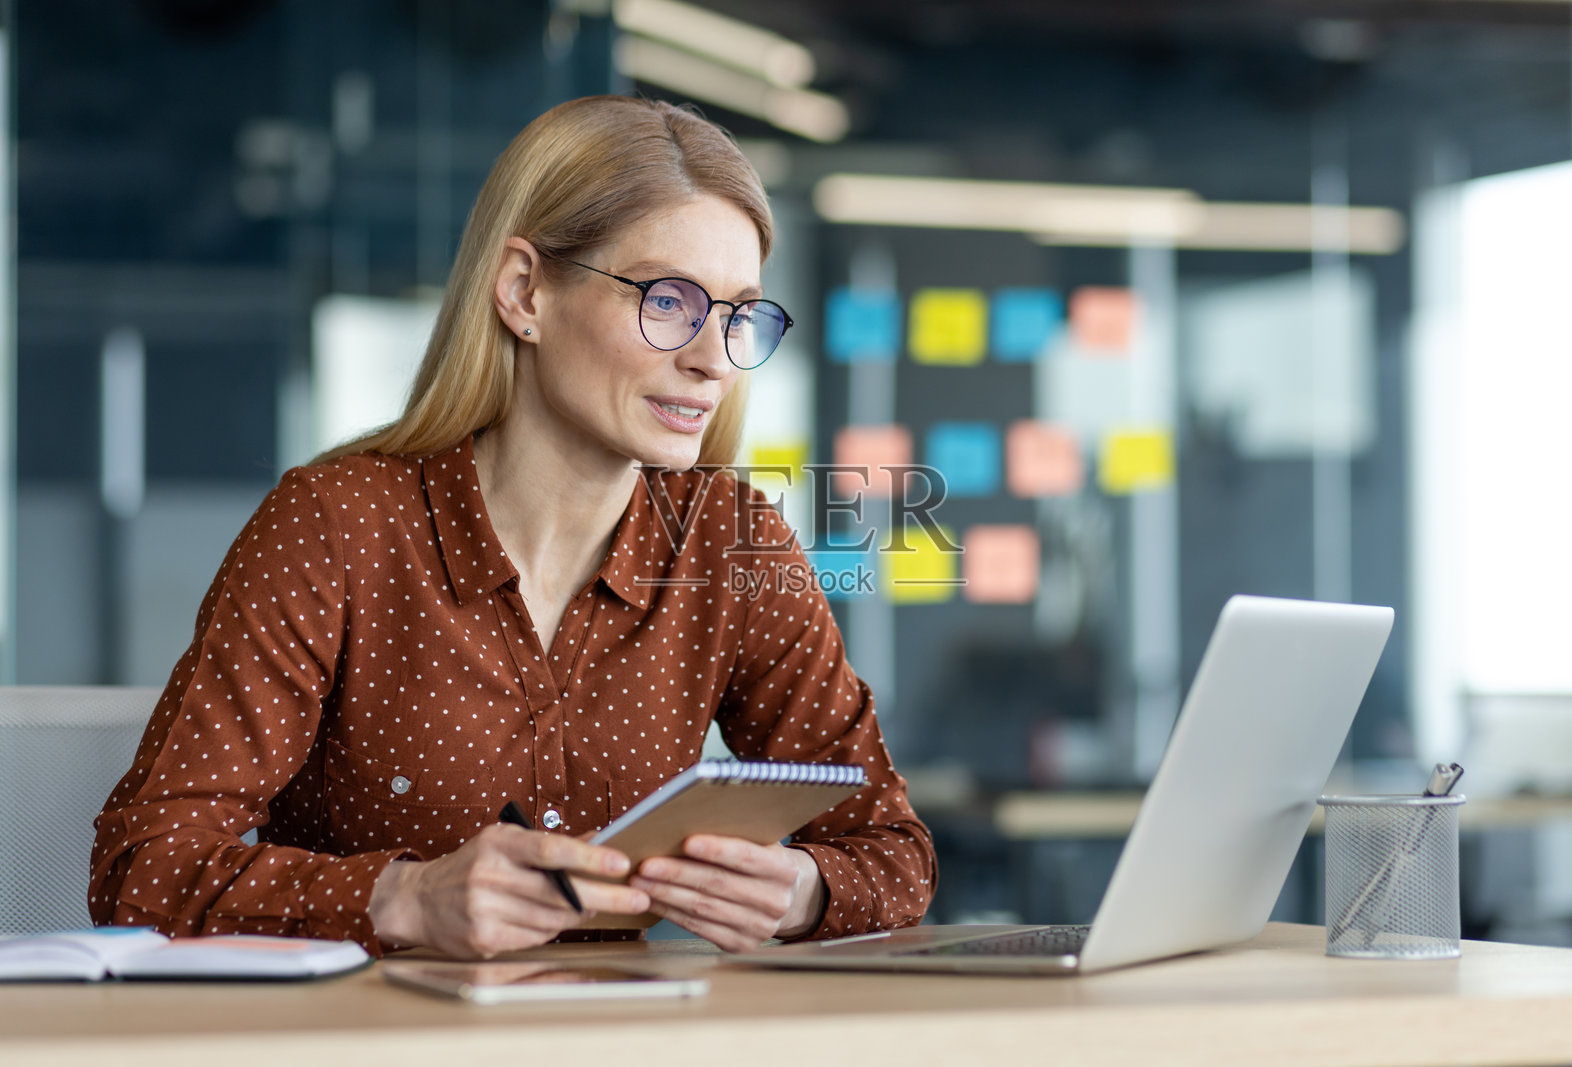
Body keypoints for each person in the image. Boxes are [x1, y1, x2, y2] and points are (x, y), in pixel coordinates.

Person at [88, 95, 936, 959]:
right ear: (525, 290)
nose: (713, 360)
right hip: (378, 1028)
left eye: (737, 315)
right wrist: (405, 898)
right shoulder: (338, 526)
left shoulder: (725, 539)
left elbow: (893, 850)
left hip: (626, 1025)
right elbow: (140, 868)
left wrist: (800, 890)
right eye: (669, 301)